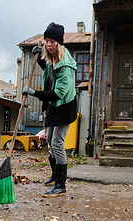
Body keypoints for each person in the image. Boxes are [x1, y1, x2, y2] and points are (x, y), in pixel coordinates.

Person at [22, 22, 77, 198]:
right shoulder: (51, 59)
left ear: (59, 43)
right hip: (54, 107)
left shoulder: (65, 65)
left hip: (64, 106)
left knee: (57, 144)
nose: (48, 44)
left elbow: (58, 93)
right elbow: (47, 71)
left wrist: (33, 93)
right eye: (46, 40)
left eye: (52, 41)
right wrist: (38, 58)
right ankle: (55, 176)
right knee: (50, 143)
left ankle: (61, 186)